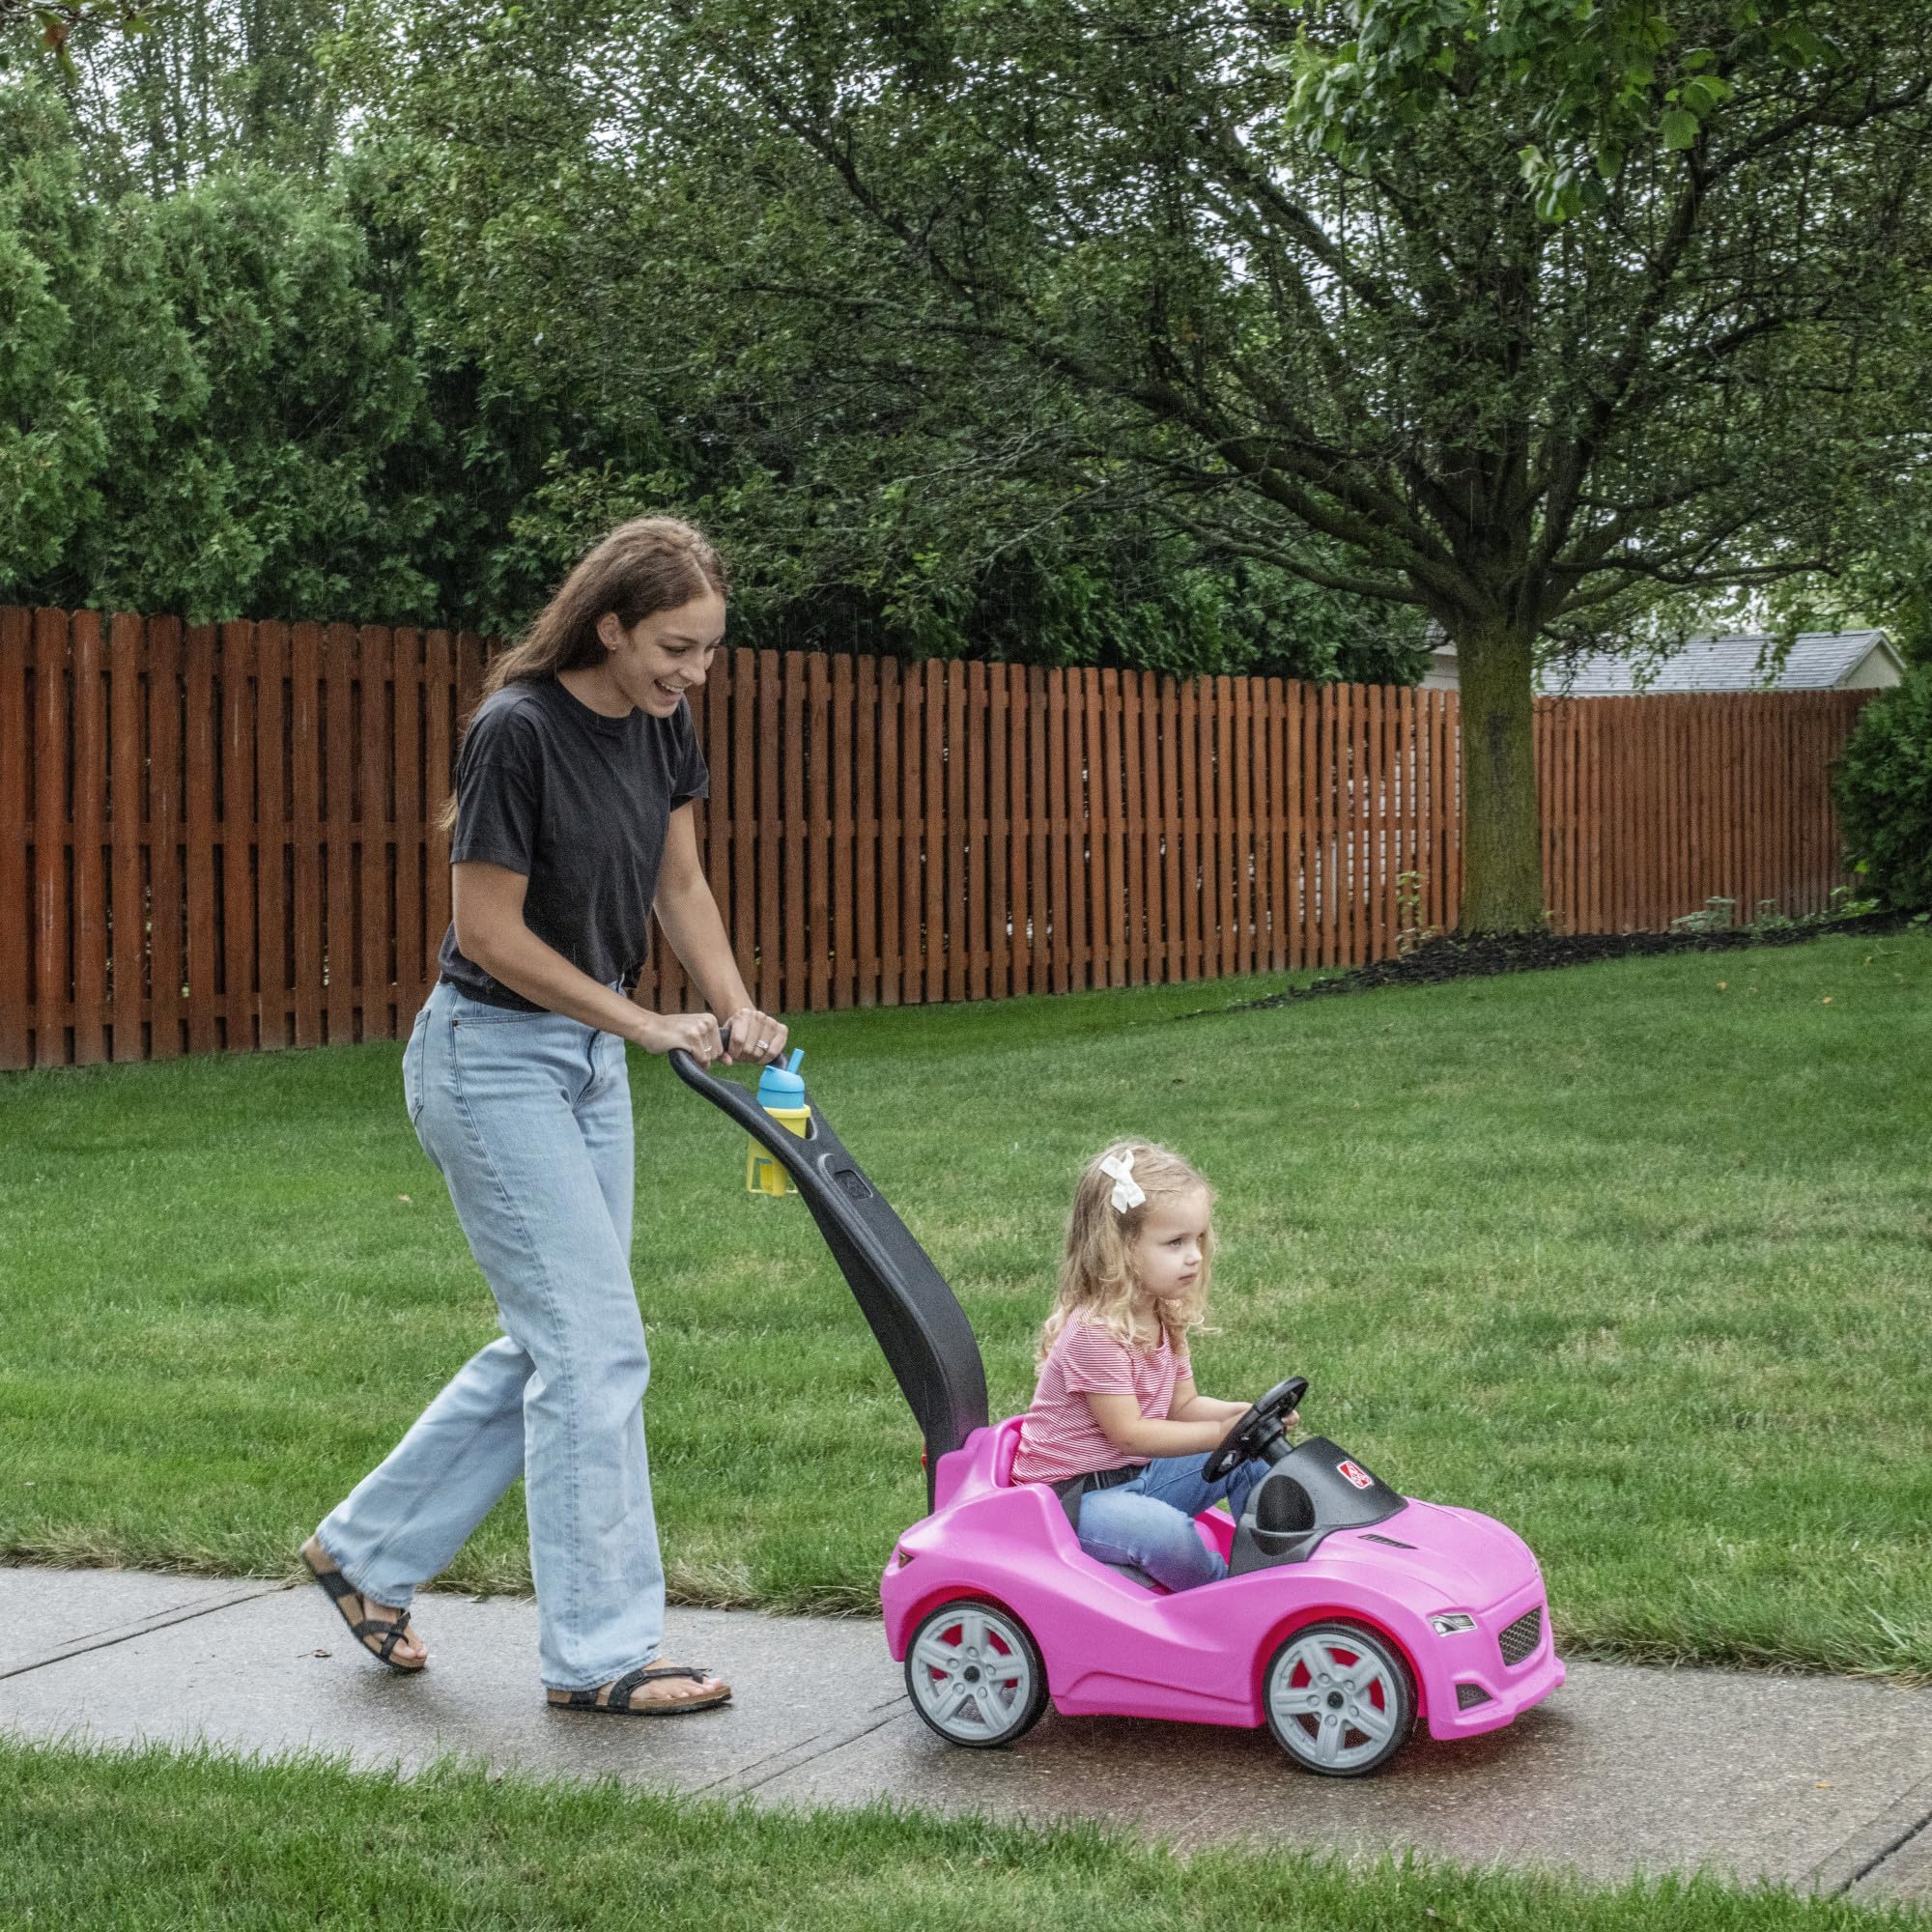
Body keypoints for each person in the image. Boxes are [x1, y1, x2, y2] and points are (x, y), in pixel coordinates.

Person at [299, 516, 786, 1716]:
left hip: (583, 1062)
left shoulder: (665, 725)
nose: (693, 673)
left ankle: (363, 1553)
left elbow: (679, 882)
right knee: (595, 1346)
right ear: (609, 623)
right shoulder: (515, 732)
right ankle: (601, 1652)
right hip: (490, 1059)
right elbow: (488, 934)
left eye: (710, 650)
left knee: (556, 1339)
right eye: (675, 646)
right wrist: (641, 1023)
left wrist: (732, 1005)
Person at [1009, 1140, 1293, 1591]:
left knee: (1252, 1458)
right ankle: (1225, 1599)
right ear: (1119, 1249)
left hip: (1137, 1475)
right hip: (1075, 1498)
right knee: (1167, 1535)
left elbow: (1183, 1407)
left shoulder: (1164, 1314)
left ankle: (1279, 1573)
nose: (1195, 1255)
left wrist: (1242, 1417)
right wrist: (1222, 1433)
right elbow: (1131, 1433)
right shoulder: (1096, 1333)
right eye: (1175, 1242)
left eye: (1198, 1238)